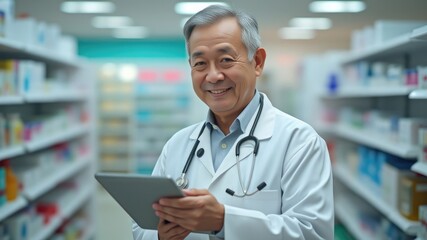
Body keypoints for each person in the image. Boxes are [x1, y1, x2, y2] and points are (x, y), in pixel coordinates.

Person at [132, 4, 334, 240]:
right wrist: (159, 236)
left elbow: (314, 234)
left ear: (257, 62)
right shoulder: (177, 145)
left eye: (226, 60)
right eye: (200, 64)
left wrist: (224, 221)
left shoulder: (299, 141)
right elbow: (141, 228)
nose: (213, 76)